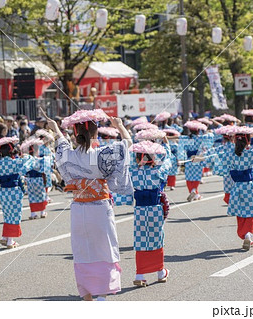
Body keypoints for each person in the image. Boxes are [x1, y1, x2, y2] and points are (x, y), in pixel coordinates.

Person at [45, 108, 133, 301]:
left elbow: (60, 144)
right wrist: (119, 126)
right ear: (95, 133)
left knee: (82, 249)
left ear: (75, 134)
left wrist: (55, 129)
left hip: (79, 209)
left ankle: (87, 293)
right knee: (103, 248)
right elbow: (127, 143)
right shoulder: (101, 154)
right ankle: (102, 292)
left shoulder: (69, 155)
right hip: (100, 207)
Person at [194, 126, 253, 250]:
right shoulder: (251, 152)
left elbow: (213, 156)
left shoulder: (229, 154)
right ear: (248, 141)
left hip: (237, 187)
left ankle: (244, 234)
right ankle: (248, 234)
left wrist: (198, 159)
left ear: (235, 140)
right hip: (249, 186)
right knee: (251, 211)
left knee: (240, 212)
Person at [130, 139, 172, 287]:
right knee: (157, 239)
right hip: (154, 209)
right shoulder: (158, 171)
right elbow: (168, 160)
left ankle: (139, 274)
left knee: (141, 240)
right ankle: (160, 272)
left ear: (137, 158)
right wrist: (165, 145)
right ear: (153, 158)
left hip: (140, 210)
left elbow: (132, 162)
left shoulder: (133, 172)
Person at [0, 137, 34, 248]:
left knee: (7, 214)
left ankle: (5, 237)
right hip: (14, 191)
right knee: (15, 215)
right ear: (12, 150)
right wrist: (25, 156)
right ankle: (10, 240)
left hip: (4, 191)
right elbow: (30, 163)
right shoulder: (16, 162)